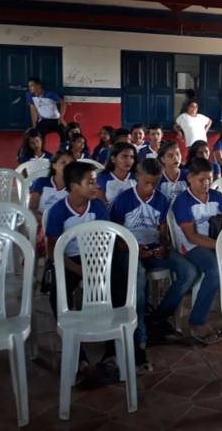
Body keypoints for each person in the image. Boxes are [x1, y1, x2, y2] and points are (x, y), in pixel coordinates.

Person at [45, 160, 141, 381]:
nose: (95, 187)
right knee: (58, 293)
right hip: (69, 261)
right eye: (90, 182)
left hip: (98, 258)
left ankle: (113, 351)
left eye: (95, 182)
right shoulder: (58, 211)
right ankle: (78, 356)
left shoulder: (97, 206)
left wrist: (96, 267)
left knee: (119, 284)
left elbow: (107, 238)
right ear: (74, 186)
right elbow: (53, 252)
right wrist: (79, 270)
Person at [110, 158, 198, 353]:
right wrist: (132, 248)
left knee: (189, 272)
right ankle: (140, 333)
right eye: (146, 182)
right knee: (139, 279)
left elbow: (162, 232)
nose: (150, 187)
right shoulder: (123, 200)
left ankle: (157, 317)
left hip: (154, 248)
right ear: (137, 177)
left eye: (155, 183)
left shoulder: (161, 200)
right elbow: (114, 235)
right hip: (129, 250)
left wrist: (164, 246)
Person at [172, 158, 222, 345]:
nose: (206, 183)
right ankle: (197, 321)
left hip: (215, 241)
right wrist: (221, 246)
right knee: (216, 268)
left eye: (209, 179)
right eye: (201, 179)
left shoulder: (217, 196)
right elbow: (191, 237)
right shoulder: (182, 201)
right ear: (190, 178)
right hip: (191, 246)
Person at [29, 151, 74, 221]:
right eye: (63, 162)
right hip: (41, 224)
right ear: (54, 165)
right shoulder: (41, 182)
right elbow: (32, 209)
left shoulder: (76, 187)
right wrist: (48, 221)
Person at [26, 77, 65, 149]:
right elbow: (33, 110)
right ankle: (40, 151)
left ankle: (63, 151)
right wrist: (34, 124)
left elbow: (63, 103)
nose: (30, 88)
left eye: (32, 85)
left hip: (56, 119)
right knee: (37, 135)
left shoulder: (50, 94)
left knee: (65, 133)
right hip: (44, 120)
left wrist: (61, 117)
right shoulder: (29, 95)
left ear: (39, 85)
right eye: (29, 86)